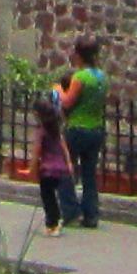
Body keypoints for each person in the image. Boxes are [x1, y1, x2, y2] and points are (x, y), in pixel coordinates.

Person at [57, 35, 109, 229]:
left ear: (79, 55)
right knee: (89, 173)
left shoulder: (80, 77)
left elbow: (67, 102)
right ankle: (91, 213)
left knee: (65, 169)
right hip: (96, 128)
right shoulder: (102, 77)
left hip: (77, 128)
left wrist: (59, 92)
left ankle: (70, 211)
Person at [30, 91, 72, 237]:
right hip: (60, 168)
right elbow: (64, 148)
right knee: (54, 195)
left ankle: (52, 222)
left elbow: (37, 152)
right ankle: (57, 218)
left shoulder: (41, 132)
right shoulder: (56, 131)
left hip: (47, 169)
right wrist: (69, 164)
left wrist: (32, 169)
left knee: (47, 197)